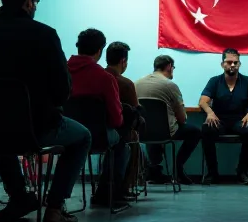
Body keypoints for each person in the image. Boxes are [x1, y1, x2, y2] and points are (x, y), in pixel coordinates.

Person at [0, 0, 91, 222]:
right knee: (83, 137)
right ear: (29, 2)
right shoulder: (45, 35)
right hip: (36, 128)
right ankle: (54, 208)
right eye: (36, 2)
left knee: (1, 131)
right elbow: (62, 91)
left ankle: (19, 197)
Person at [67, 29, 132, 207]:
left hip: (65, 135)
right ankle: (109, 194)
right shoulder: (105, 78)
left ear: (78, 47)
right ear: (99, 51)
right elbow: (116, 120)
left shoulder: (61, 72)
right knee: (121, 144)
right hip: (98, 136)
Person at [199, 48, 248, 185]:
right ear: (222, 64)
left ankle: (242, 171)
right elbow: (203, 101)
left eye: (235, 62)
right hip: (219, 121)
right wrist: (209, 112)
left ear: (239, 64)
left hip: (240, 121)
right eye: (229, 62)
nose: (232, 65)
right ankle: (212, 173)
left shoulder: (247, 81)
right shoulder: (215, 81)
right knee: (206, 129)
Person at [136, 55, 201, 185]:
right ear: (169, 67)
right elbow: (182, 119)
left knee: (152, 129)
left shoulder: (136, 83)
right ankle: (178, 169)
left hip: (142, 132)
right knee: (195, 132)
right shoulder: (170, 85)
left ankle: (155, 170)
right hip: (166, 132)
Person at [105, 41, 145, 194]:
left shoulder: (98, 77)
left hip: (92, 129)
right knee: (133, 135)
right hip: (116, 132)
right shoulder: (126, 84)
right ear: (123, 61)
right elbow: (135, 111)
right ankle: (125, 186)